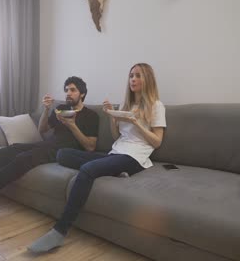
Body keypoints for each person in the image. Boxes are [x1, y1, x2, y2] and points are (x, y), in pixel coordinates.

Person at [28, 63, 166, 253]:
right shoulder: (126, 105)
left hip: (135, 157)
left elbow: (157, 142)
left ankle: (59, 231)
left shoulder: (156, 106)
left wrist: (136, 122)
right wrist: (112, 117)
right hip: (116, 152)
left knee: (87, 170)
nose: (133, 79)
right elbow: (117, 137)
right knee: (63, 154)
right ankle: (118, 172)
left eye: (138, 76)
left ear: (148, 79)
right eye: (131, 75)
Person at [0, 76, 99, 220]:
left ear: (82, 93)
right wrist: (47, 109)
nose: (68, 93)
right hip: (47, 144)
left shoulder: (91, 116)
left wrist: (72, 125)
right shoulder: (63, 109)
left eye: (73, 90)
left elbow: (90, 147)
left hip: (64, 151)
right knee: (6, 151)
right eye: (66, 90)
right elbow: (42, 130)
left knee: (22, 159)